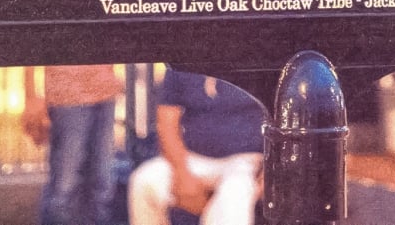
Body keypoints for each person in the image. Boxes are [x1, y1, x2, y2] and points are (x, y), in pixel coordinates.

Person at [128, 70, 264, 225]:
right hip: (192, 158)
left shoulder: (256, 61)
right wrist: (183, 175)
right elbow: (166, 122)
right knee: (144, 181)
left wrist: (271, 174)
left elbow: (281, 121)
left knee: (232, 199)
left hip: (245, 163)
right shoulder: (183, 63)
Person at [22, 64, 120, 225]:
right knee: (65, 187)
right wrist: (31, 95)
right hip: (67, 99)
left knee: (103, 184)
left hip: (105, 93)